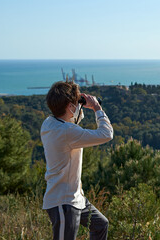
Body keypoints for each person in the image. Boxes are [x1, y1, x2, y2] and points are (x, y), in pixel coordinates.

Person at [41, 81, 113, 240]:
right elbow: (106, 134)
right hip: (63, 201)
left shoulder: (49, 123)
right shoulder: (68, 132)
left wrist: (77, 105)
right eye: (74, 103)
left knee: (101, 224)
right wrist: (96, 108)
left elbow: (69, 122)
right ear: (69, 107)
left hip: (75, 198)